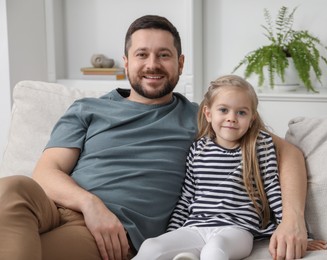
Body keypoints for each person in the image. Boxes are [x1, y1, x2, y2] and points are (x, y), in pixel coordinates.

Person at [0, 15, 308, 260]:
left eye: (164, 55)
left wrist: (291, 220)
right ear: (126, 61)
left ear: (180, 63)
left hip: (109, 234)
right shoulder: (87, 109)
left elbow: (287, 153)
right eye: (142, 54)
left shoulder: (203, 117)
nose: (152, 64)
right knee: (10, 187)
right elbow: (45, 172)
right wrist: (91, 204)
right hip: (58, 207)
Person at [133, 75, 327, 260]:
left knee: (215, 249)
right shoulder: (197, 149)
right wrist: (172, 234)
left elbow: (273, 191)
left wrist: (297, 231)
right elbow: (186, 199)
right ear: (208, 114)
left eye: (241, 112)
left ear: (251, 119)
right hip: (195, 228)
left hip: (237, 231)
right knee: (152, 247)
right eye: (223, 110)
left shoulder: (261, 146)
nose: (232, 118)